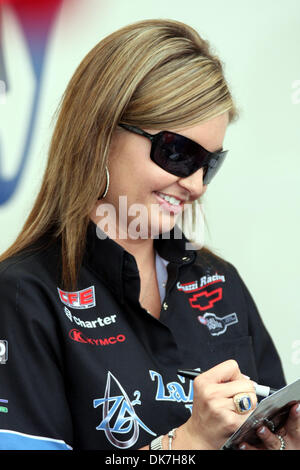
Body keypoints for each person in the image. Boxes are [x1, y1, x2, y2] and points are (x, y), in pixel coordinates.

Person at [0, 19, 299, 451]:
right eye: (178, 153)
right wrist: (184, 445)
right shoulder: (23, 295)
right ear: (99, 134)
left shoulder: (221, 282)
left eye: (210, 164)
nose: (196, 185)